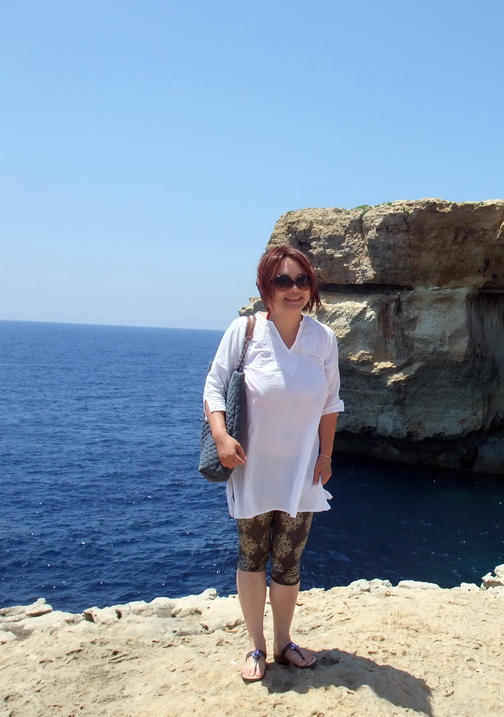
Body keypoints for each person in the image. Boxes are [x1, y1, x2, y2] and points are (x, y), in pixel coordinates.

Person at [203, 245, 344, 682]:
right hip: (251, 469)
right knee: (251, 557)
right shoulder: (244, 333)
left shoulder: (322, 339)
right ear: (266, 286)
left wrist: (326, 455)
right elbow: (213, 388)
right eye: (283, 281)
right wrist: (223, 438)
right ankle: (256, 647)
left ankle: (284, 642)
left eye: (302, 280)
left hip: (302, 472)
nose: (294, 289)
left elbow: (330, 403)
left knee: (289, 560)